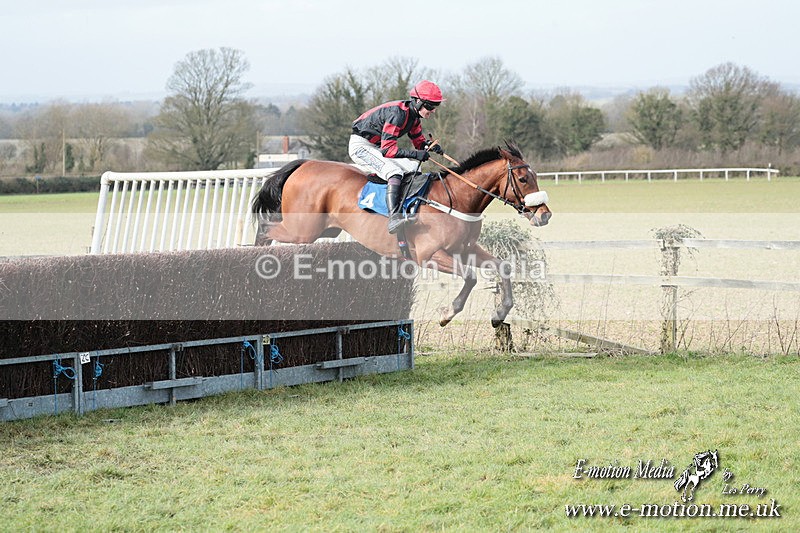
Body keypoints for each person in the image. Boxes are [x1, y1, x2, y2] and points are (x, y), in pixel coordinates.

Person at [349, 80, 445, 234]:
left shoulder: (413, 117)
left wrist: (429, 146)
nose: (433, 110)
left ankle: (411, 208)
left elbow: (419, 142)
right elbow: (388, 150)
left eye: (435, 106)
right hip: (361, 146)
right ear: (418, 102)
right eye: (430, 106)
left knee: (414, 167)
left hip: (376, 147)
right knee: (394, 172)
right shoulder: (397, 114)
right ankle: (394, 218)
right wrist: (415, 154)